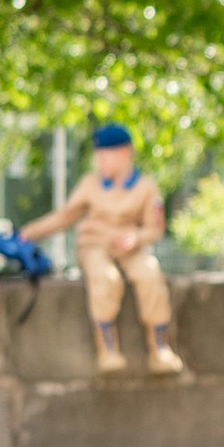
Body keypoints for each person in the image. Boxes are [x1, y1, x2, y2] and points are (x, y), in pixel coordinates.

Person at [21, 126, 186, 374]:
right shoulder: (91, 184)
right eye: (98, 155)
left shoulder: (145, 187)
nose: (100, 161)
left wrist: (137, 237)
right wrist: (28, 233)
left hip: (130, 249)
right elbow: (66, 216)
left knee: (150, 275)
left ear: (125, 153)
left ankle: (159, 348)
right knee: (106, 278)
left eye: (105, 155)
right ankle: (108, 349)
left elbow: (155, 228)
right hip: (94, 246)